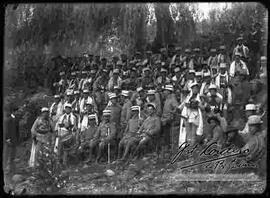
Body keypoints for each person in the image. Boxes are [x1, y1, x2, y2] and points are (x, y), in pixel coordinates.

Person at [161, 85, 179, 150]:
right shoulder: (167, 98)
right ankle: (166, 146)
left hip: (169, 119)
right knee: (166, 134)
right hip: (165, 118)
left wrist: (172, 115)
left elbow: (176, 107)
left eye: (165, 91)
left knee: (168, 134)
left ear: (168, 91)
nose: (164, 92)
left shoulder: (172, 98)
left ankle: (168, 147)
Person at [4, 105, 19, 175]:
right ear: (13, 112)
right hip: (9, 140)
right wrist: (7, 139)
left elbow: (17, 130)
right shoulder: (8, 119)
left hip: (14, 139)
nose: (17, 112)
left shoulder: (16, 119)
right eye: (16, 111)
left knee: (13, 155)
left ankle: (12, 170)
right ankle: (7, 170)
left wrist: (18, 138)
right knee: (8, 154)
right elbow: (6, 130)